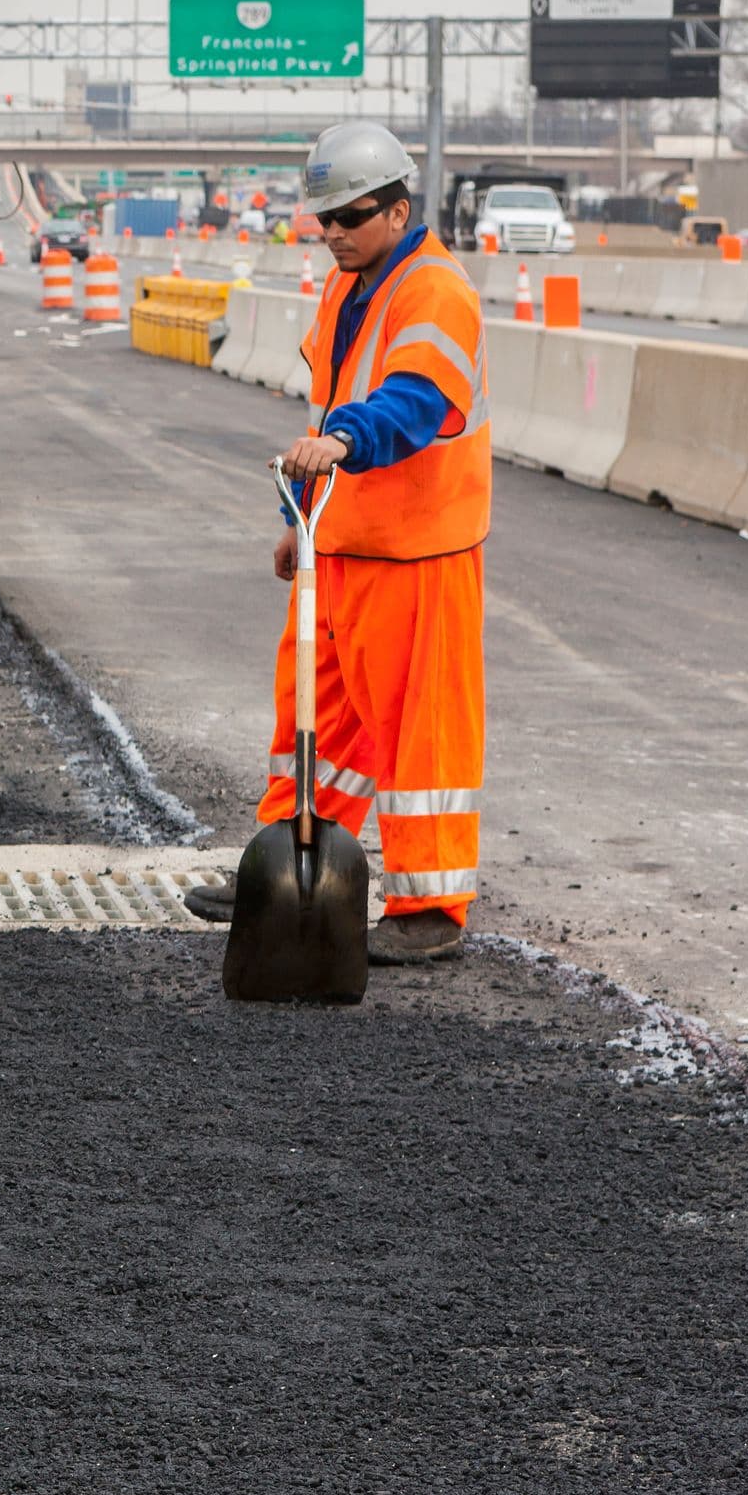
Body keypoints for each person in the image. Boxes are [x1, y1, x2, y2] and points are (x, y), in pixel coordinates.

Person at [186, 121, 488, 964]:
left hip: (418, 552)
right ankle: (287, 869)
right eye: (323, 221)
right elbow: (325, 411)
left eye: (350, 217)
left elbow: (415, 401)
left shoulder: (434, 291)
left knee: (417, 734)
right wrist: (297, 520)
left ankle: (431, 907)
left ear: (398, 210)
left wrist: (347, 443)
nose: (334, 235)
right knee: (313, 721)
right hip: (340, 541)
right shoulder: (346, 287)